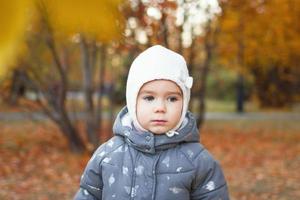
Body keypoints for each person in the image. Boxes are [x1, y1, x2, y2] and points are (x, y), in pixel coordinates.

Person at [74, 45, 229, 200]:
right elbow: (88, 194)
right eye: (149, 98)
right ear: (133, 101)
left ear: (184, 102)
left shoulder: (198, 161)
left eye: (172, 98)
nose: (160, 108)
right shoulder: (108, 155)